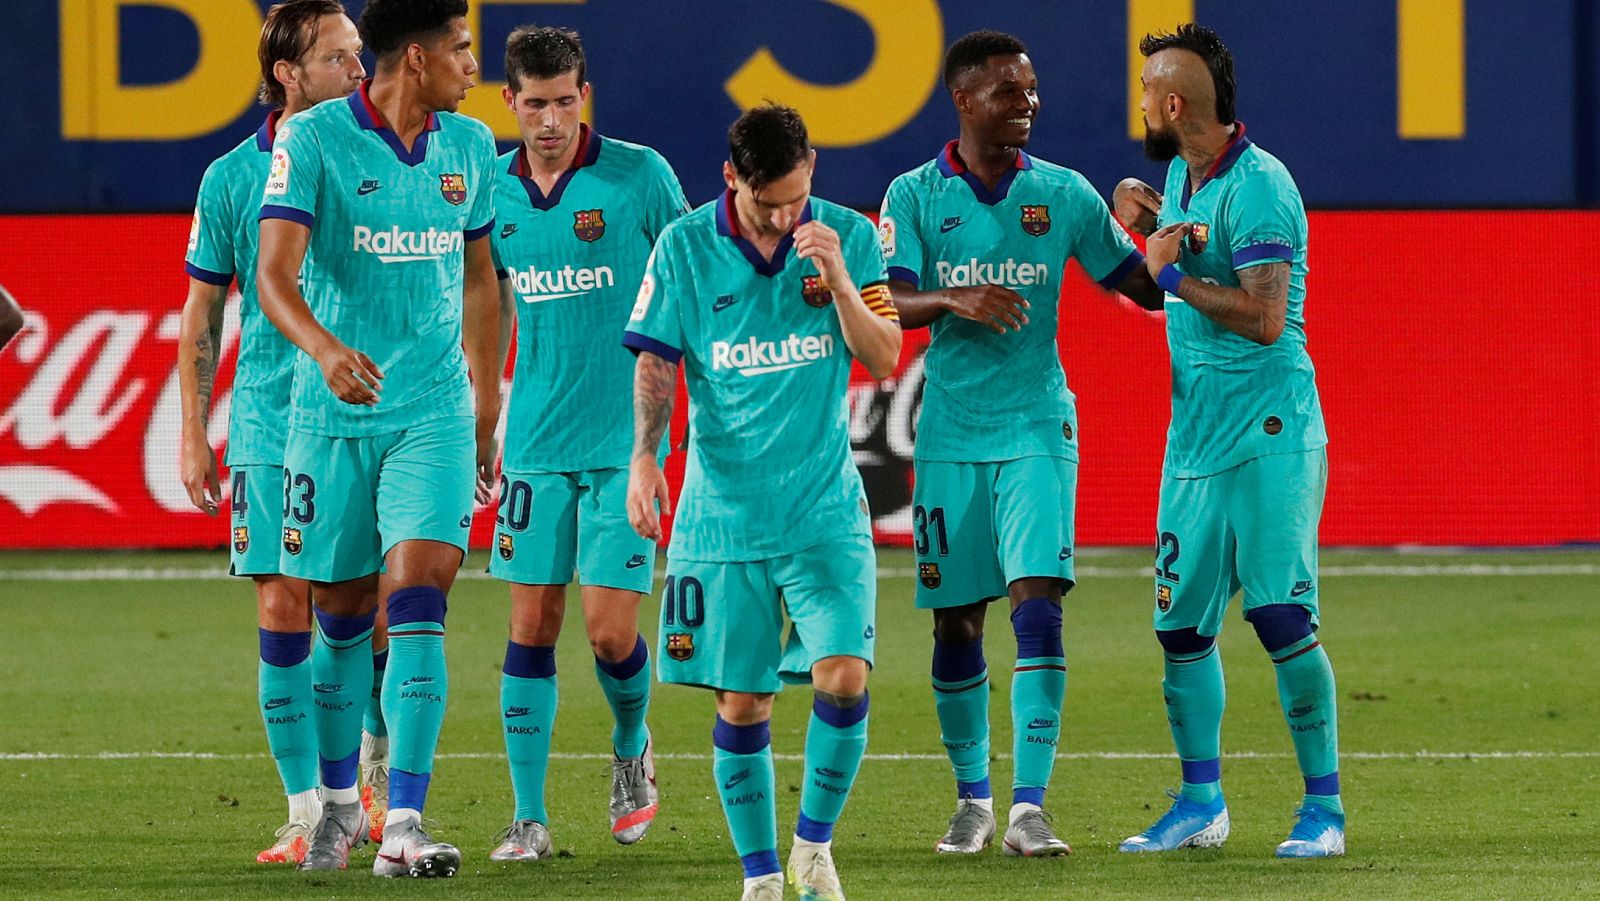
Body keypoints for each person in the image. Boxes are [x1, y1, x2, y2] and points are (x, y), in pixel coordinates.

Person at [878, 29, 1162, 858]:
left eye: (1031, 89)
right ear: (963, 99)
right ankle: (972, 800)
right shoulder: (913, 195)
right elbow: (887, 299)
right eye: (1008, 89)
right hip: (950, 433)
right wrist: (954, 298)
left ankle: (1029, 807)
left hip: (1038, 422)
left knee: (1038, 604)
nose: (1027, 102)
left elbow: (1143, 288)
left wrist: (1170, 226)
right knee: (957, 623)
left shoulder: (1064, 192)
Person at [624, 104, 901, 901]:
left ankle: (813, 846)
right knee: (743, 702)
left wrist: (841, 282)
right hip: (724, 518)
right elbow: (656, 363)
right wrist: (644, 457)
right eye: (766, 203)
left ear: (811, 169)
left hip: (823, 510)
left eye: (794, 198)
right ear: (730, 178)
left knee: (843, 676)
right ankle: (761, 876)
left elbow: (885, 356)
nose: (784, 218)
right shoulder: (684, 246)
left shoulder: (848, 235)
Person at [255, 0, 501, 877]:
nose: (474, 65)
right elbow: (273, 274)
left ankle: (404, 821)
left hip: (433, 409)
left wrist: (485, 405)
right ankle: (335, 803)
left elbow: (481, 279)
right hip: (330, 418)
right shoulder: (315, 140)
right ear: (417, 58)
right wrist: (324, 350)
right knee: (343, 613)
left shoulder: (470, 148)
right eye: (461, 48)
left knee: (420, 595)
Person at [1113, 23, 1342, 859]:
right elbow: (1173, 275)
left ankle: (1323, 809)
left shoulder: (1261, 186)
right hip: (1196, 440)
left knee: (1280, 615)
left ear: (1176, 104)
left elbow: (1266, 317)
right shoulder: (1183, 174)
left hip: (1271, 430)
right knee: (1180, 628)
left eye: (1148, 92)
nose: (1140, 103)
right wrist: (1148, 232)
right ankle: (1201, 802)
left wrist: (1170, 271)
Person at [484, 25, 689, 861]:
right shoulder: (488, 189)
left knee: (609, 633)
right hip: (534, 440)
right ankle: (528, 816)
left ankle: (632, 742)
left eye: (565, 102)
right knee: (530, 624)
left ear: (584, 95)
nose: (550, 121)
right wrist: (486, 415)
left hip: (623, 445)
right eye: (534, 104)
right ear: (508, 101)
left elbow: (695, 278)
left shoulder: (640, 176)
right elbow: (488, 303)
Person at [175, 0, 368, 865]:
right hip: (266, 418)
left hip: (359, 414)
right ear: (287, 74)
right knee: (281, 602)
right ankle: (305, 810)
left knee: (361, 610)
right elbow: (202, 312)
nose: (358, 71)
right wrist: (193, 431)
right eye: (337, 58)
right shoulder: (230, 178)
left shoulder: (379, 153)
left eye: (359, 54)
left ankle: (372, 782)